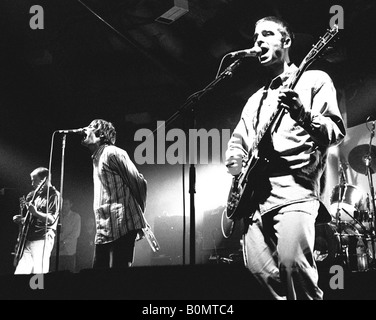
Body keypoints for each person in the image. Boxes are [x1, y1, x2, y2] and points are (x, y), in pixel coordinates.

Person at [225, 16, 346, 300]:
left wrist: (302, 114)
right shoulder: (255, 100)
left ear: (287, 42)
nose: (258, 42)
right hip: (254, 204)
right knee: (261, 274)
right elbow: (238, 140)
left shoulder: (314, 80)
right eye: (255, 38)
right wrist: (235, 161)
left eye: (267, 34)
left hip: (295, 193)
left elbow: (335, 131)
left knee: (294, 270)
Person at [81, 119, 150, 269]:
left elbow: (139, 182)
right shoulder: (96, 158)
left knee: (119, 273)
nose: (85, 129)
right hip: (104, 226)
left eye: (90, 127)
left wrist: (139, 217)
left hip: (123, 223)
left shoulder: (112, 153)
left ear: (100, 134)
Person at [12, 167, 60, 274]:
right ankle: (20, 291)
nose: (32, 183)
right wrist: (23, 219)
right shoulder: (37, 195)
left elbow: (51, 219)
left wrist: (36, 213)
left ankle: (37, 291)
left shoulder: (54, 195)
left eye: (34, 180)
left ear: (45, 179)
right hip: (29, 239)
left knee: (38, 274)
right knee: (20, 272)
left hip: (42, 239)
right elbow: (35, 218)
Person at [50, 198, 81, 272]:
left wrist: (63, 242)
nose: (64, 206)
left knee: (68, 274)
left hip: (68, 251)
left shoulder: (75, 216)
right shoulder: (56, 216)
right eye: (62, 204)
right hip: (56, 251)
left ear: (71, 205)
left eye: (66, 204)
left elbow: (76, 233)